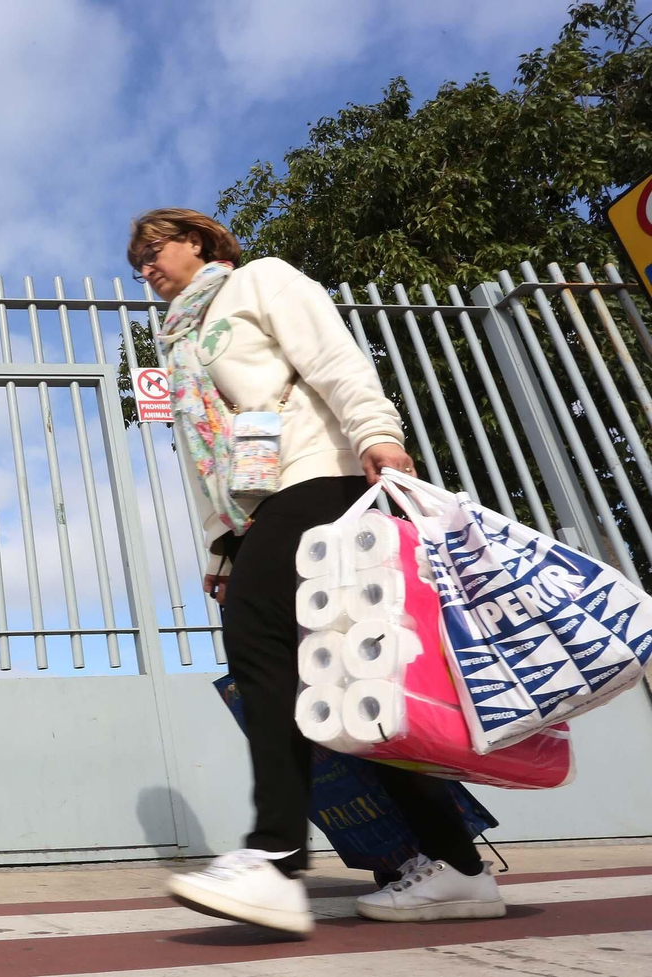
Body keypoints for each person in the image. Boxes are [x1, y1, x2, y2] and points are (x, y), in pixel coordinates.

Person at [129, 208, 505, 935]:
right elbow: (206, 462)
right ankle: (459, 867)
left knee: (260, 647)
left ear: (198, 241)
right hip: (263, 510)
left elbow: (332, 354)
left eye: (152, 250)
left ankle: (275, 858)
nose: (144, 267)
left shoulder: (259, 282)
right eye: (135, 261)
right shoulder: (178, 339)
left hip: (320, 478)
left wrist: (378, 432)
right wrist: (225, 549)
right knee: (347, 687)